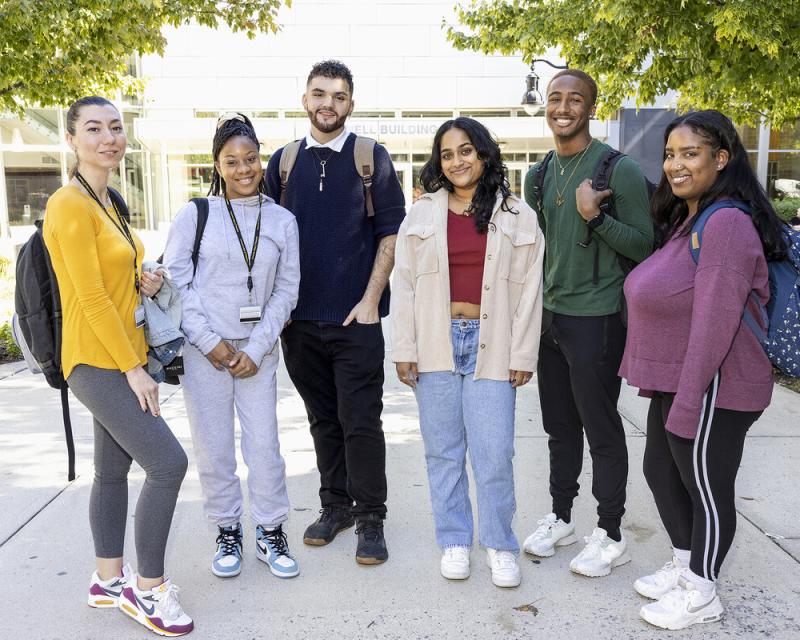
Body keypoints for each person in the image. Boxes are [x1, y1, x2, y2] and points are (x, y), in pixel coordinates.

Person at [620, 110, 783, 630]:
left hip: (717, 382)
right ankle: (687, 561)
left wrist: (691, 400)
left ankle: (702, 589)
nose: (675, 164)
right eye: (670, 154)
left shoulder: (728, 223)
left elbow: (715, 322)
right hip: (680, 378)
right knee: (661, 472)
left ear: (722, 158)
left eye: (690, 153)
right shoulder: (692, 217)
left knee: (705, 487)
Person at [43, 96, 193, 636]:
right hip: (98, 360)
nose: (108, 138)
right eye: (93, 129)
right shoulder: (68, 204)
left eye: (115, 128)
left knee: (112, 470)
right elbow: (88, 298)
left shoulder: (106, 201)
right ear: (71, 139)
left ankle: (108, 580)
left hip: (116, 353)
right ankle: (148, 591)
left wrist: (141, 277)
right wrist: (134, 368)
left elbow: (111, 281)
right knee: (168, 464)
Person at [391, 117, 544, 587]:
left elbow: (530, 291)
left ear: (483, 154)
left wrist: (523, 354)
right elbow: (404, 285)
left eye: (465, 151)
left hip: (492, 346)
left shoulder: (518, 215)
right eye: (447, 154)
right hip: (435, 342)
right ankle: (455, 539)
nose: (456, 161)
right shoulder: (420, 215)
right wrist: (404, 347)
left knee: (494, 454)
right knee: (443, 453)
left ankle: (499, 545)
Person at [265, 60, 405, 565]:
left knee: (361, 419)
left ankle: (371, 516)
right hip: (298, 323)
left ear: (351, 103)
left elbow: (390, 235)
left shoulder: (371, 158)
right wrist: (274, 310)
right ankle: (335, 506)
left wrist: (370, 302)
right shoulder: (281, 163)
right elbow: (265, 243)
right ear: (305, 99)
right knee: (323, 419)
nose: (329, 103)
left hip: (357, 320)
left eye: (339, 96)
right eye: (319, 93)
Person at [521, 68, 654, 576]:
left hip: (597, 318)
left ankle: (611, 530)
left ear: (590, 108)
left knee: (601, 428)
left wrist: (596, 219)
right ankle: (560, 516)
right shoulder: (539, 173)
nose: (562, 107)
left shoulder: (615, 170)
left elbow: (645, 247)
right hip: (551, 319)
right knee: (559, 428)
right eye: (555, 98)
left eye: (574, 99)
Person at [163, 113, 300, 580]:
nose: (244, 169)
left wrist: (256, 348)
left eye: (251, 158)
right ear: (217, 165)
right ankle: (226, 529)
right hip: (206, 354)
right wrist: (211, 343)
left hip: (257, 353)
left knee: (265, 446)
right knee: (215, 447)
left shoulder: (282, 221)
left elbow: (287, 290)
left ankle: (270, 529)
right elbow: (178, 283)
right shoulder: (196, 215)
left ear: (261, 159)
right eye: (232, 161)